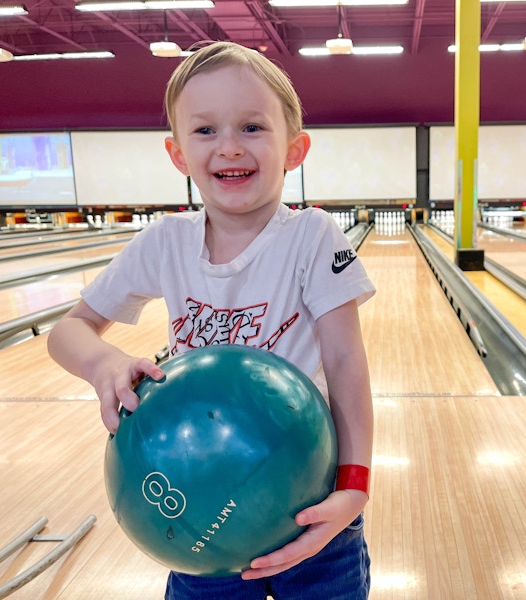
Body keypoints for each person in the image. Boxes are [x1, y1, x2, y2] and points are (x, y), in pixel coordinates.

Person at [47, 41, 375, 599]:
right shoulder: (163, 243)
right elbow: (65, 332)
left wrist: (355, 486)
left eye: (252, 127)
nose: (228, 146)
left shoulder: (314, 237)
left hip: (311, 503)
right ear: (177, 154)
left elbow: (346, 364)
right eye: (205, 131)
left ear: (295, 149)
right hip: (196, 511)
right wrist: (104, 362)